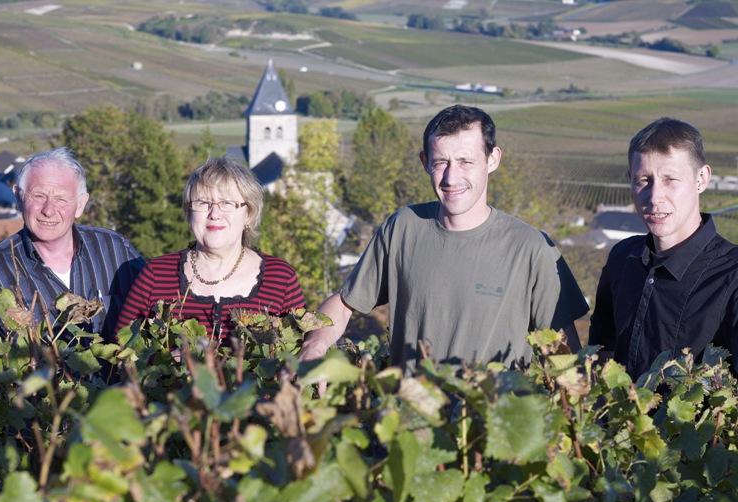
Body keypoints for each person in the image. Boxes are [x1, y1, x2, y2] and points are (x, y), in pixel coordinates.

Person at [300, 104, 588, 374]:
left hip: (493, 424)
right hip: (410, 421)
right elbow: (344, 303)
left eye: (465, 162)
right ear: (425, 162)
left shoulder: (531, 248)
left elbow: (564, 354)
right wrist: (316, 344)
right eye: (441, 162)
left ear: (492, 160)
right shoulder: (402, 228)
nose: (451, 177)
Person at [589, 117, 738, 379]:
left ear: (701, 179)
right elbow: (602, 353)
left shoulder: (731, 277)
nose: (655, 197)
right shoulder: (622, 259)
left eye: (670, 179)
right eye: (643, 180)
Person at [115, 156, 305, 344]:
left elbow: (299, 361)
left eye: (227, 204)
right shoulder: (156, 275)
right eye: (203, 203)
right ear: (189, 213)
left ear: (249, 213)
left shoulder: (281, 280)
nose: (214, 214)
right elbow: (119, 353)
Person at [0, 146, 145, 341]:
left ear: (81, 205)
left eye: (61, 199)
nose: (48, 210)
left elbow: (155, 318)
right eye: (39, 196)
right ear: (18, 197)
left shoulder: (117, 251)